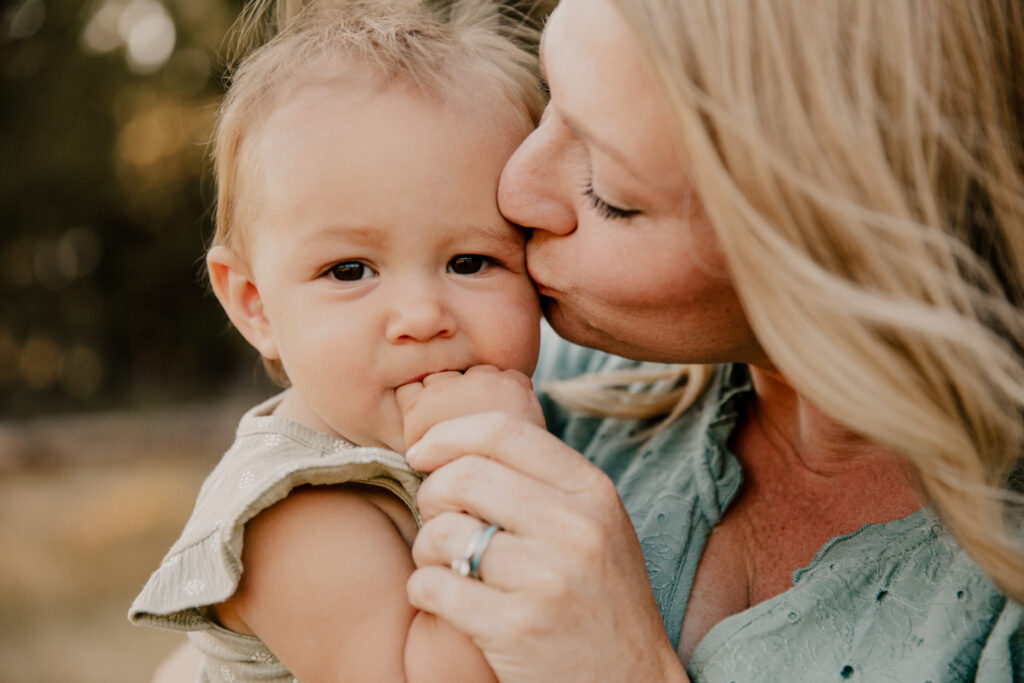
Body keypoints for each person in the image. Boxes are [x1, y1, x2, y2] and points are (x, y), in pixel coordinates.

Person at [396, 0, 1024, 680]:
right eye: (551, 98)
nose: (515, 190)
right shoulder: (553, 376)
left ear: (848, 245)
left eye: (608, 191)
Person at [128, 2, 548, 681]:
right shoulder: (294, 514)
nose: (421, 314)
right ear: (255, 304)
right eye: (349, 271)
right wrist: (495, 483)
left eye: (470, 261)